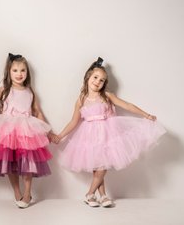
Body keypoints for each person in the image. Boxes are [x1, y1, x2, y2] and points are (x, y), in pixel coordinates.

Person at [53, 57, 166, 208]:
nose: (97, 82)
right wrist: (60, 135)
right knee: (98, 168)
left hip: (106, 136)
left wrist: (145, 115)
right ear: (88, 77)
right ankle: (103, 196)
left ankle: (90, 194)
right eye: (95, 77)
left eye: (101, 80)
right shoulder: (81, 99)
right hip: (89, 137)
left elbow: (127, 105)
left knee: (101, 169)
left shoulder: (107, 96)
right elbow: (74, 121)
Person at [0, 53, 52, 208]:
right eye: (15, 70)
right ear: (9, 71)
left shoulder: (30, 91)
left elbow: (38, 112)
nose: (19, 74)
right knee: (10, 162)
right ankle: (17, 191)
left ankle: (27, 193)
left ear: (27, 73)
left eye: (22, 70)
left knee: (28, 163)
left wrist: (48, 130)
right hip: (7, 131)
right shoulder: (5, 89)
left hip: (26, 131)